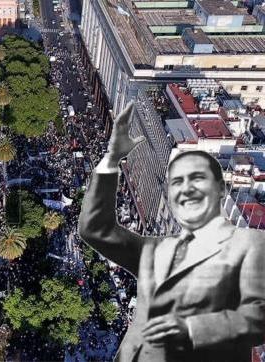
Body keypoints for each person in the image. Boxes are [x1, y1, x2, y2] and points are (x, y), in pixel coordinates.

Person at [78, 103, 265, 362]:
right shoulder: (156, 252)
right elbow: (94, 229)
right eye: (178, 183)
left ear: (220, 191)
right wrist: (112, 160)